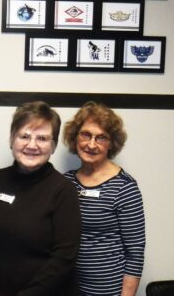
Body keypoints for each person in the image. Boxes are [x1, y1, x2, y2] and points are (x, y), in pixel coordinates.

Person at [0, 101, 81, 296]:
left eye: (43, 138)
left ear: (53, 146)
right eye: (25, 136)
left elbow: (65, 258)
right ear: (12, 139)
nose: (32, 145)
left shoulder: (64, 191)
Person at [62, 101, 145, 296]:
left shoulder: (124, 187)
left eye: (101, 138)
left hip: (108, 291)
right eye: (86, 135)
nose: (91, 144)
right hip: (68, 288)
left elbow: (135, 253)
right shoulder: (66, 182)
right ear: (75, 138)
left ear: (111, 143)